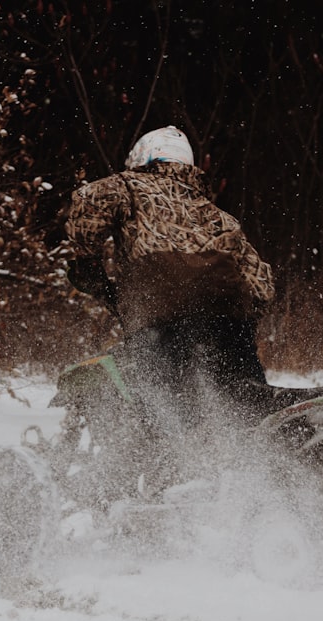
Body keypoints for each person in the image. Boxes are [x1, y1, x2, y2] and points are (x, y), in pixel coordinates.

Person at [64, 126, 275, 411]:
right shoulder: (220, 218)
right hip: (227, 322)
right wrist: (241, 322)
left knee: (162, 408)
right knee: (248, 401)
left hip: (158, 320)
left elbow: (88, 199)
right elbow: (263, 288)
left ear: (141, 159)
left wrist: (87, 259)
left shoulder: (128, 186)